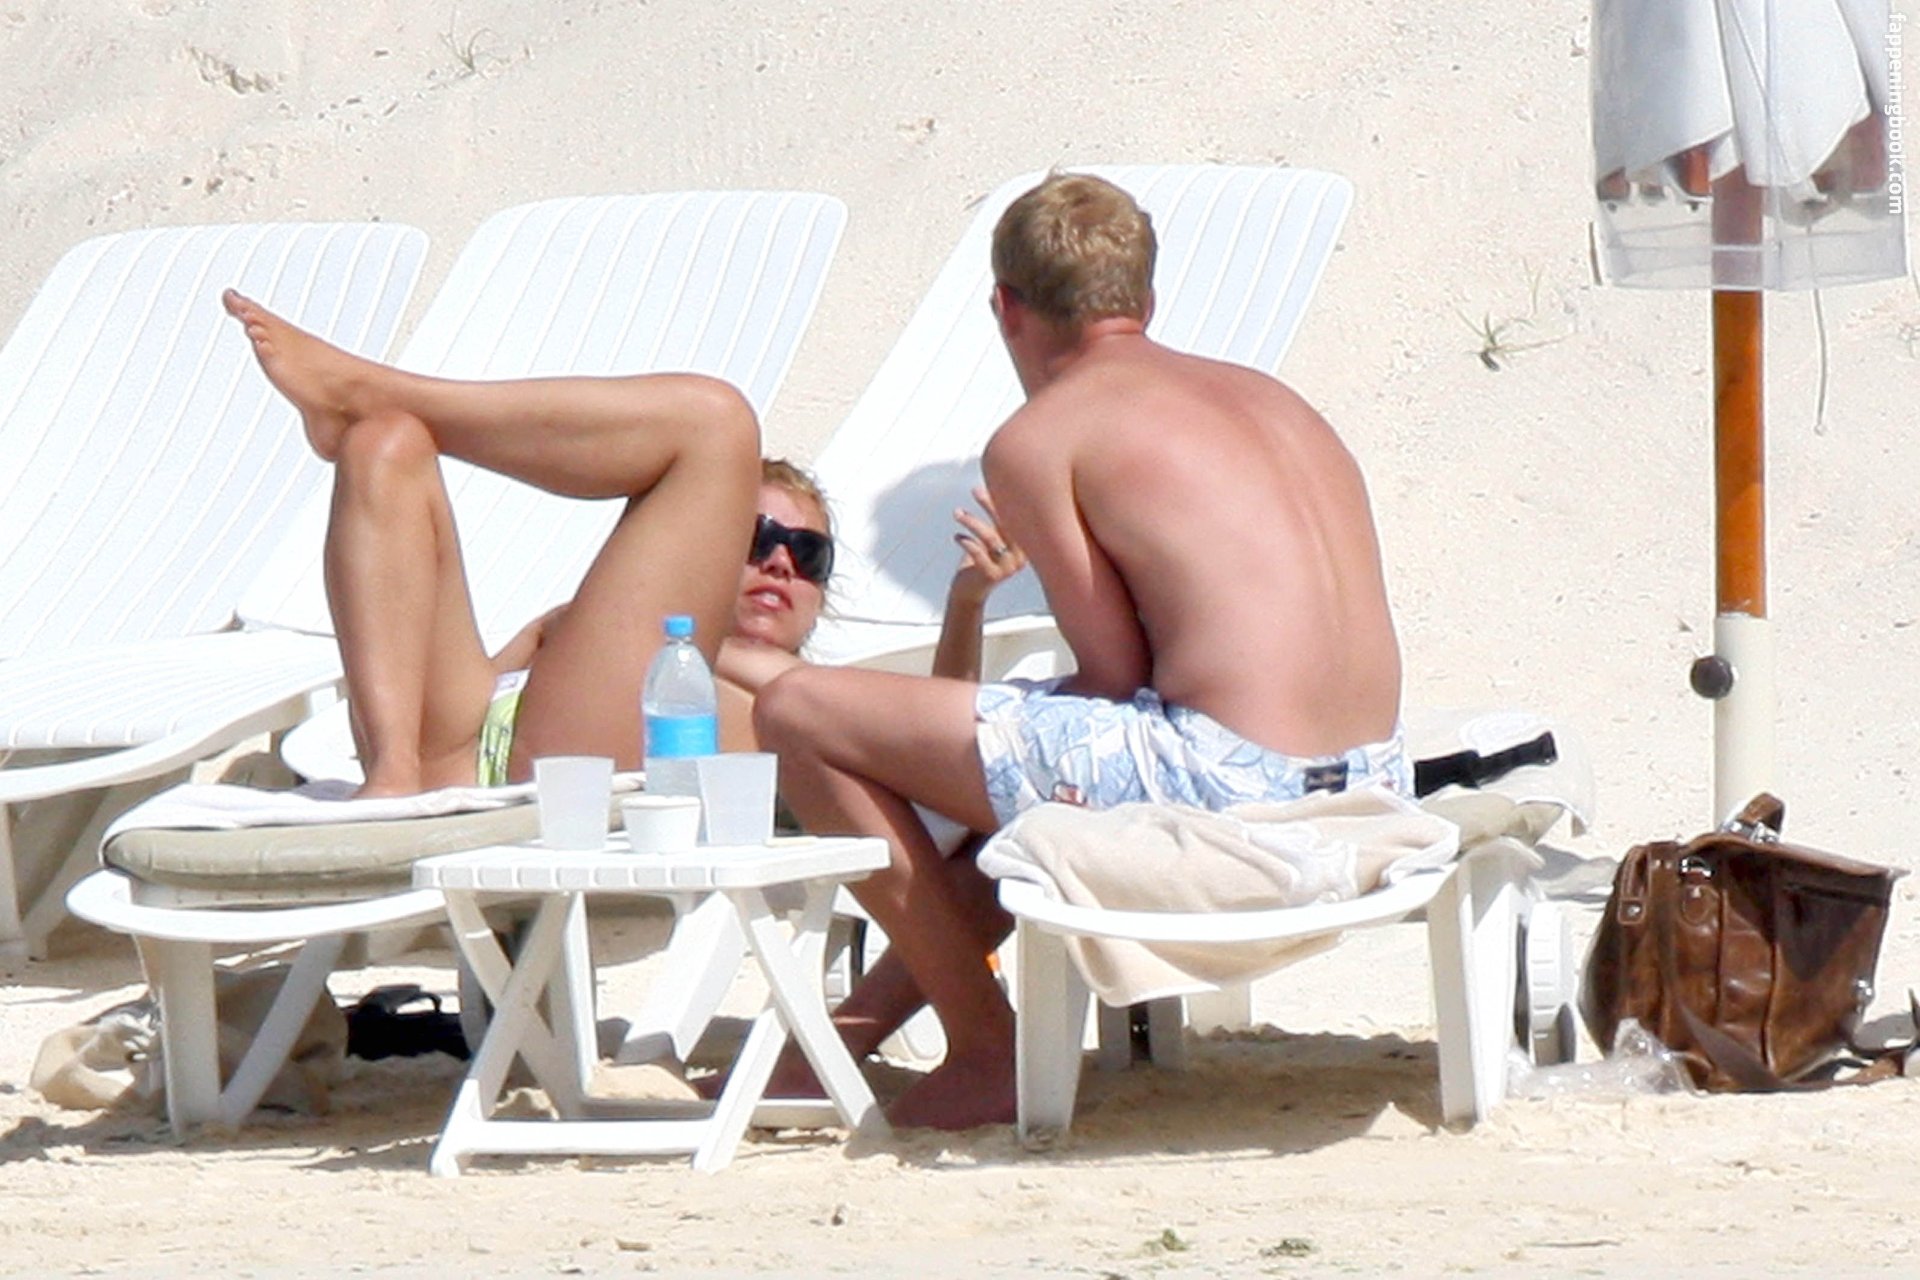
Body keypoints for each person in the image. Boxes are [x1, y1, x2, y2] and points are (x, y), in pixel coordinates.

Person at [752, 173, 1408, 1129]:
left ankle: (985, 1051)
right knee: (1011, 759)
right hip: (1373, 774)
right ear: (1146, 298)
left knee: (797, 711)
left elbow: (1113, 678)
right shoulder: (1278, 403)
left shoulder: (1042, 436)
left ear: (1005, 307)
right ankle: (836, 1042)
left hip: (1232, 783)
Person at [222, 289, 1025, 799]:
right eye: (756, 538)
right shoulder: (595, 637)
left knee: (714, 423)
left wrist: (965, 607)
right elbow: (498, 682)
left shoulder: (800, 695)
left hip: (574, 782)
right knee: (385, 447)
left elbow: (942, 744)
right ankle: (393, 772)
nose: (781, 562)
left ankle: (371, 391)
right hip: (460, 760)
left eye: (807, 556)